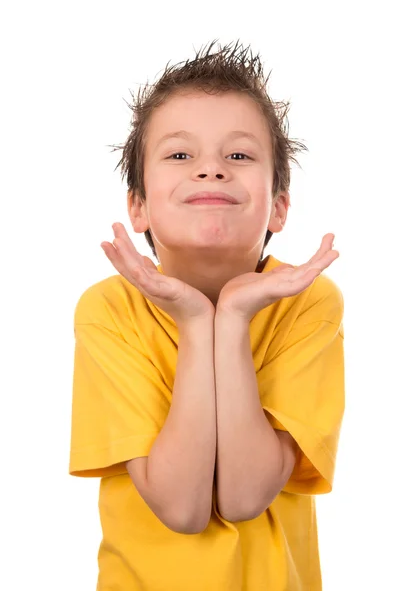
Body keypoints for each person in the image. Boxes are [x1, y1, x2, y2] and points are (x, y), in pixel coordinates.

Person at [69, 39, 345, 591]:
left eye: (239, 156)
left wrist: (234, 317)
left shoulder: (309, 301)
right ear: (139, 206)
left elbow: (244, 498)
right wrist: (198, 323)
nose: (211, 171)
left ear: (279, 205)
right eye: (180, 155)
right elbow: (182, 508)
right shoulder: (109, 309)